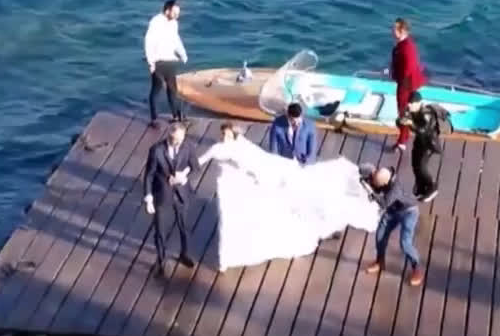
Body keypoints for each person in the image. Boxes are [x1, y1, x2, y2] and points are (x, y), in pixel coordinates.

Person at [198, 124, 378, 271]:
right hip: (231, 180)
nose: (226, 137)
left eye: (229, 134)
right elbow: (202, 159)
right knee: (230, 218)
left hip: (248, 177)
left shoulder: (241, 144)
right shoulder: (218, 148)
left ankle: (227, 256)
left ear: (233, 134)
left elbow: (256, 158)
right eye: (224, 134)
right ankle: (226, 257)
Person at [143, 121, 199, 276]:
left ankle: (184, 254)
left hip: (182, 193)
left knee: (184, 227)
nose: (179, 143)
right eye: (176, 140)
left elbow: (195, 167)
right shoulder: (156, 150)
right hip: (162, 194)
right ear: (169, 136)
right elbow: (149, 175)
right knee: (160, 230)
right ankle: (161, 260)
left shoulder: (188, 147)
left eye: (181, 139)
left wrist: (184, 176)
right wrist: (148, 198)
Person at [365, 165, 423, 287]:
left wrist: (373, 194)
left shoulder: (395, 189)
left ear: (384, 183)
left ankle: (417, 267)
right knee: (380, 235)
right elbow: (378, 186)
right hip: (393, 210)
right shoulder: (385, 175)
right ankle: (380, 261)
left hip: (408, 212)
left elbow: (384, 203)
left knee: (405, 243)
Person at [144, 0, 188, 128]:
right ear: (167, 10)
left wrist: (182, 53)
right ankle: (154, 119)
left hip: (170, 60)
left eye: (178, 13)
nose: (177, 15)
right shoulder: (155, 22)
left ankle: (176, 116)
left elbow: (176, 39)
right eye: (174, 12)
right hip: (158, 61)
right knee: (156, 90)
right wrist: (150, 62)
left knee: (173, 90)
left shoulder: (174, 23)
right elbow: (148, 42)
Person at [399, 91, 443, 202]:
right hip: (419, 141)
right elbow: (400, 121)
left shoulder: (426, 114)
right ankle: (421, 185)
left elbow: (424, 130)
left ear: (419, 103)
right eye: (409, 103)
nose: (409, 105)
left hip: (428, 143)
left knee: (422, 166)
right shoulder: (410, 110)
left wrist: (411, 124)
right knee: (415, 164)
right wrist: (401, 121)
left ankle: (432, 186)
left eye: (412, 103)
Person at [389, 18, 426, 151]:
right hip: (406, 82)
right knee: (405, 111)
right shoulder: (406, 44)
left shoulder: (406, 47)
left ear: (402, 31)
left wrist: (401, 81)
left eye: (395, 29)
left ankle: (402, 141)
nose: (392, 31)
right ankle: (404, 137)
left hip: (405, 84)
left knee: (403, 112)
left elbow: (408, 68)